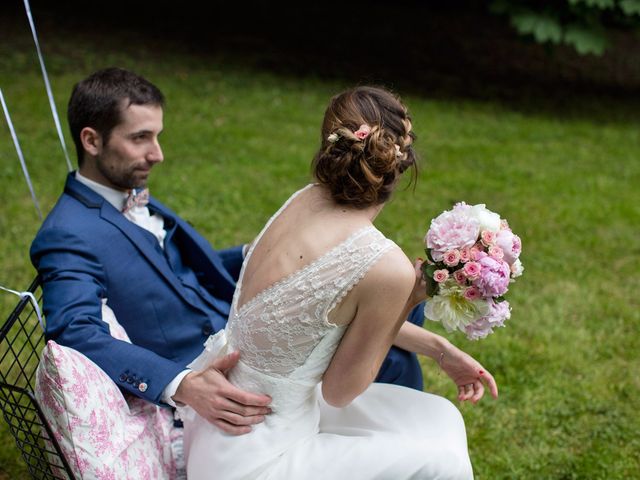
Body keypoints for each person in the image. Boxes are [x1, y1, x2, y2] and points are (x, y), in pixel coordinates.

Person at [31, 68, 496, 439]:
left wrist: (278, 259)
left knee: (388, 308)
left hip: (234, 319)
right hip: (213, 357)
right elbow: (74, 332)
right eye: (140, 138)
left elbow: (168, 270)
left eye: (158, 136)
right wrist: (181, 384)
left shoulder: (124, 191)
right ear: (91, 141)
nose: (158, 154)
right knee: (392, 345)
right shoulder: (67, 234)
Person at [182, 86, 497, 479]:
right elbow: (340, 392)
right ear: (402, 166)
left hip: (220, 434)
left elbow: (314, 321)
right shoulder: (384, 266)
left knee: (437, 417)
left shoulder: (303, 200)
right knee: (442, 462)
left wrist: (441, 349)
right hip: (259, 457)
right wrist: (408, 297)